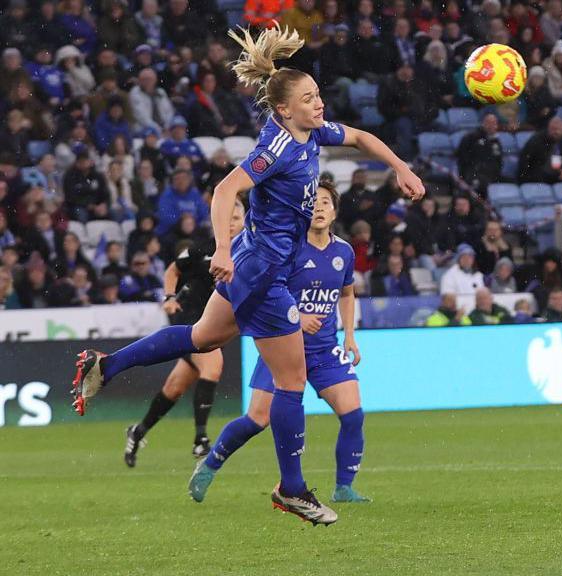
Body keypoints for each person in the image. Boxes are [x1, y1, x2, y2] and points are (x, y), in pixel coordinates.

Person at [72, 26, 424, 526]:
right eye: (308, 99)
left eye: (318, 94)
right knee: (291, 379)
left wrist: (401, 167)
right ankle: (294, 489)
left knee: (199, 337)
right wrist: (222, 248)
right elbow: (224, 191)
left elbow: (362, 137)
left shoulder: (311, 133)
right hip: (263, 273)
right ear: (284, 110)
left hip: (259, 267)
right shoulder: (277, 146)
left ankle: (105, 366)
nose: (319, 104)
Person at [190, 183, 372, 504]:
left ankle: (343, 488)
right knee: (257, 420)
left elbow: (346, 292)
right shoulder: (287, 248)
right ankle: (211, 463)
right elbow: (266, 290)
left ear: (334, 211)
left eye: (325, 202)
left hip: (324, 349)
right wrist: (296, 317)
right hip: (281, 346)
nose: (318, 207)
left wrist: (350, 336)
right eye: (313, 201)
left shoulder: (343, 251)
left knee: (354, 414)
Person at [123, 201, 247, 468]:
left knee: (175, 387)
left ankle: (138, 431)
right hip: (190, 320)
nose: (232, 222)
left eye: (237, 217)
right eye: (229, 217)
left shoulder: (250, 252)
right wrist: (169, 297)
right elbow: (173, 270)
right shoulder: (203, 249)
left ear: (246, 221)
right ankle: (200, 439)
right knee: (213, 366)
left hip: (212, 324)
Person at [518, 116, 562, 184]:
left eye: (558, 129)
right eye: (553, 129)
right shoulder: (536, 140)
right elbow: (525, 161)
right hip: (540, 175)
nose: (556, 132)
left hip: (560, 174)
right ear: (548, 128)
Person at [456, 113, 503, 195]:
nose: (492, 126)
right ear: (483, 123)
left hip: (491, 176)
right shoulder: (471, 138)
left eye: (494, 123)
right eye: (489, 123)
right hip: (474, 175)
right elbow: (462, 157)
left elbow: (498, 161)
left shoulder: (496, 142)